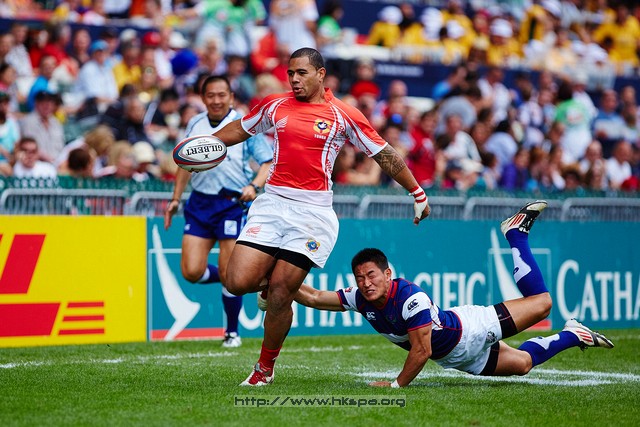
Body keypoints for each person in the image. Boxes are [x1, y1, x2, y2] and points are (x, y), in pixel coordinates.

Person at [211, 47, 431, 386]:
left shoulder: (344, 114)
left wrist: (417, 192)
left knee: (282, 293)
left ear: (320, 74)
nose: (295, 79)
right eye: (291, 73)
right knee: (237, 282)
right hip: (272, 204)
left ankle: (264, 369)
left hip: (312, 214)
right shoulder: (274, 105)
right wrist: (205, 145)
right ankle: (268, 281)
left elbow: (383, 154)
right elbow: (241, 129)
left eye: (302, 73)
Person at [289, 201, 614, 387]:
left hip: (471, 329)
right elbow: (315, 297)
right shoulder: (361, 298)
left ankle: (516, 235)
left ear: (388, 274)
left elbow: (421, 351)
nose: (365, 283)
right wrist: (278, 286)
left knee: (542, 304)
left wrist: (395, 386)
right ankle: (573, 334)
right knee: (524, 364)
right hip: (458, 358)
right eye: (359, 278)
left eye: (371, 275)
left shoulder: (410, 298)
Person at [164, 75, 273, 348]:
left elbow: (268, 162)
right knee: (191, 271)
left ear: (231, 97)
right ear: (203, 98)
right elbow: (184, 163)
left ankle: (232, 333)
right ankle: (235, 279)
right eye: (210, 95)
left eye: (221, 95)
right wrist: (175, 199)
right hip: (200, 204)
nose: (216, 100)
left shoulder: (244, 124)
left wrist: (254, 186)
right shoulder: (195, 123)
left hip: (231, 205)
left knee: (229, 271)